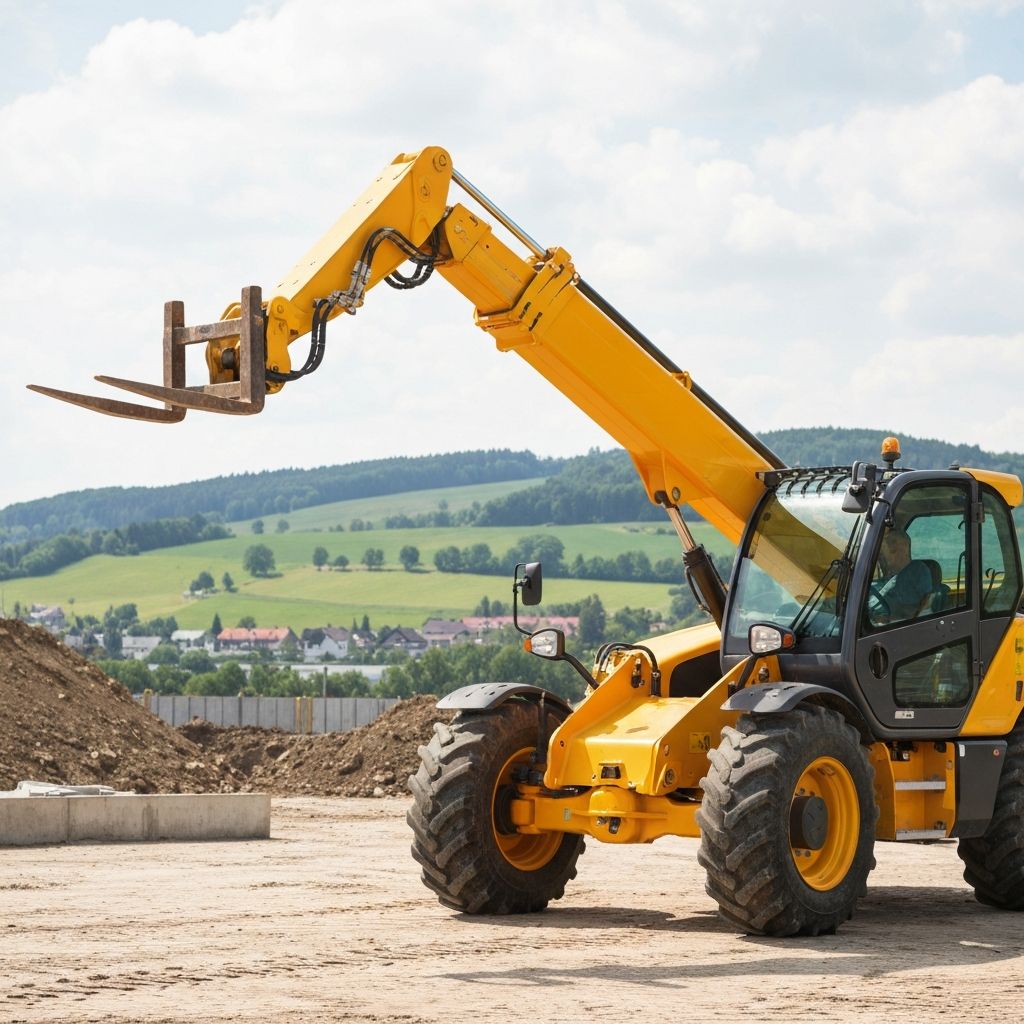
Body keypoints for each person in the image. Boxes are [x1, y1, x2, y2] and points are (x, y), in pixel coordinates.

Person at [868, 528, 933, 624]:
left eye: (882, 553)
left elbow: (925, 605)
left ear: (900, 550)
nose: (879, 558)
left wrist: (888, 620)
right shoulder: (888, 575)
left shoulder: (918, 571)